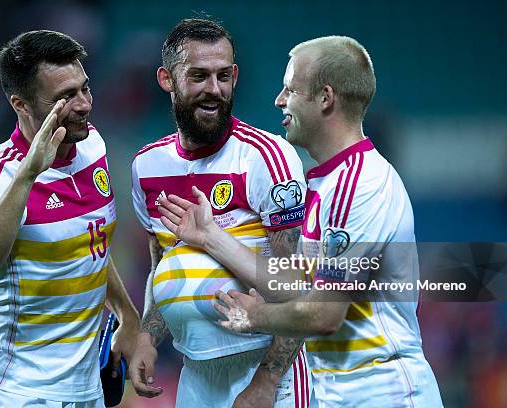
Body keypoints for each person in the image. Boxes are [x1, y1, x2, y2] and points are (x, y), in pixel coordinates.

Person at [158, 36, 444, 407]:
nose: (279, 100)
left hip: (383, 390)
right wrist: (212, 237)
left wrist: (257, 315)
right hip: (340, 391)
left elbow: (324, 313)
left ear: (325, 98)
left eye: (290, 90)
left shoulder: (357, 185)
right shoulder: (327, 183)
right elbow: (299, 284)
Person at [129, 18, 311, 408]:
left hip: (265, 365)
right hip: (195, 373)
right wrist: (147, 336)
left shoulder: (268, 158)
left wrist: (267, 380)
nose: (214, 89)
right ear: (167, 79)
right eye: (199, 76)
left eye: (223, 76)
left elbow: (297, 292)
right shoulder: (146, 166)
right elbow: (162, 263)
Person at [0, 30, 140, 407]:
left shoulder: (93, 146)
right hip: (16, 390)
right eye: (65, 97)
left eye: (84, 89)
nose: (84, 104)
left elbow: (90, 249)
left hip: (86, 388)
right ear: (21, 104)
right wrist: (28, 174)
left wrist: (127, 313)